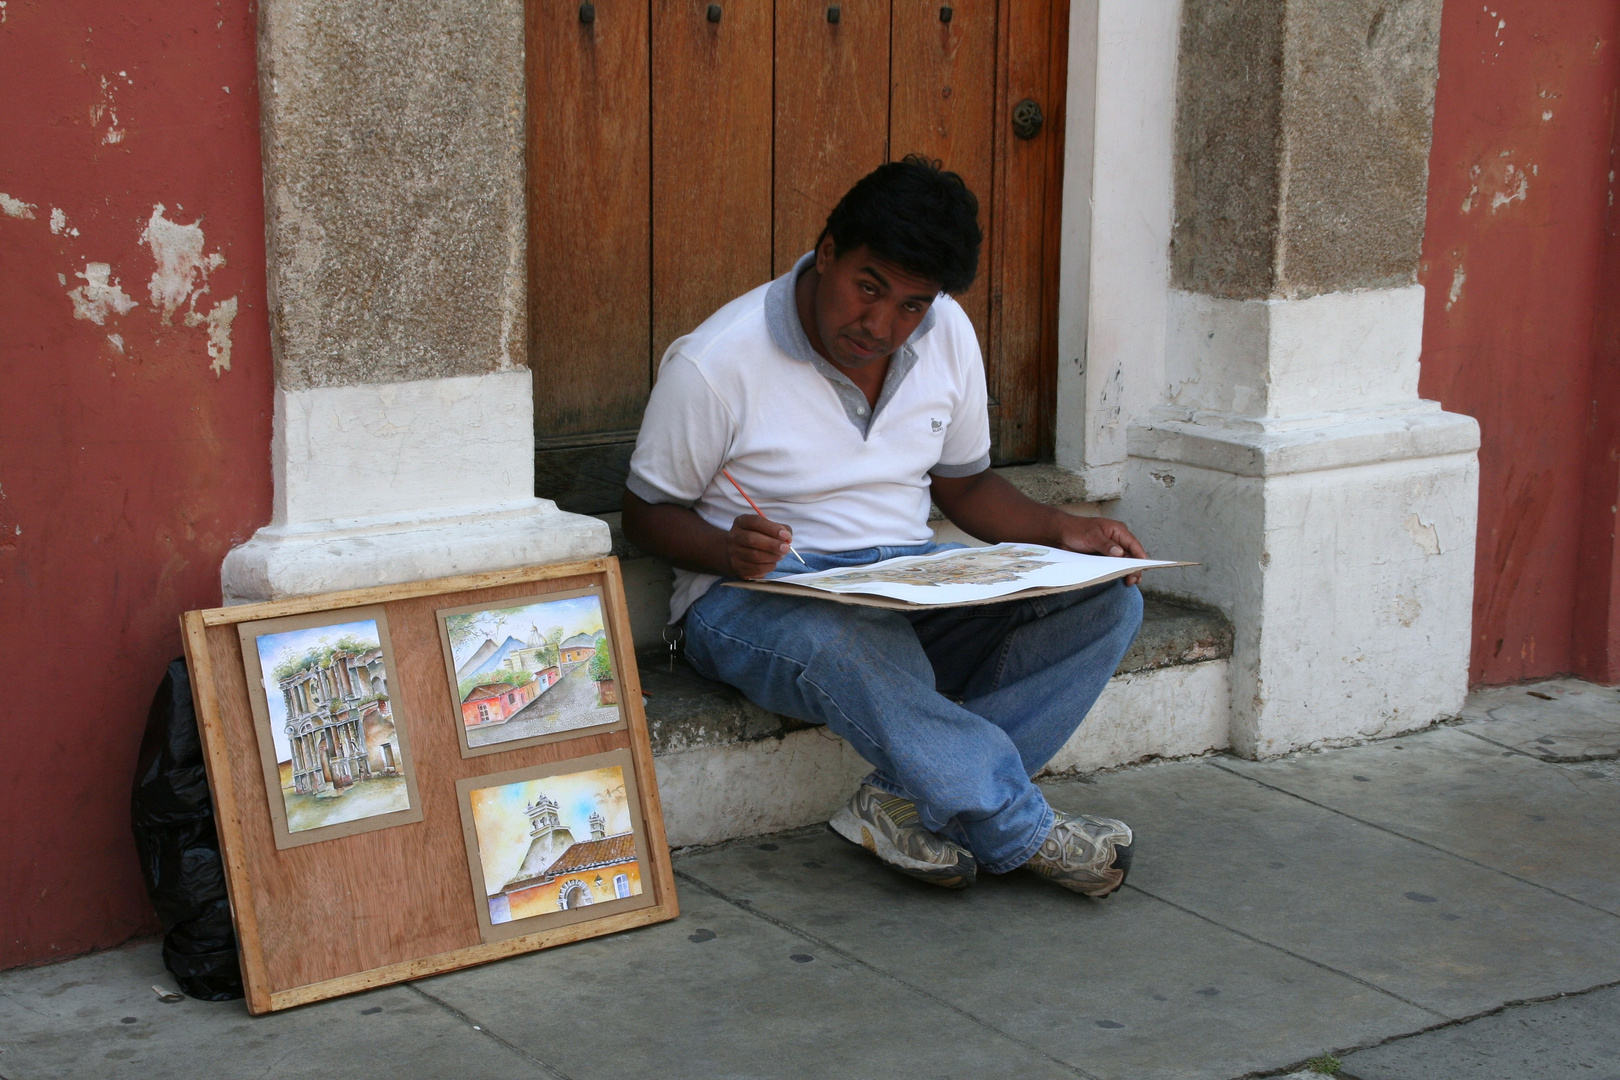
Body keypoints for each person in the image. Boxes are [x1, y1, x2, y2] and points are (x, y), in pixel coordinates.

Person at [622, 156, 1148, 897]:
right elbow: (645, 512)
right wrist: (724, 548)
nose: (880, 325)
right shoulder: (717, 362)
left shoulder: (946, 332)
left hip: (905, 582)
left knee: (1110, 600)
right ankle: (1018, 830)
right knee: (848, 642)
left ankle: (900, 801)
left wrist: (1061, 530)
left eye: (910, 306)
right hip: (762, 598)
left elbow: (964, 486)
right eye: (868, 288)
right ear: (828, 250)